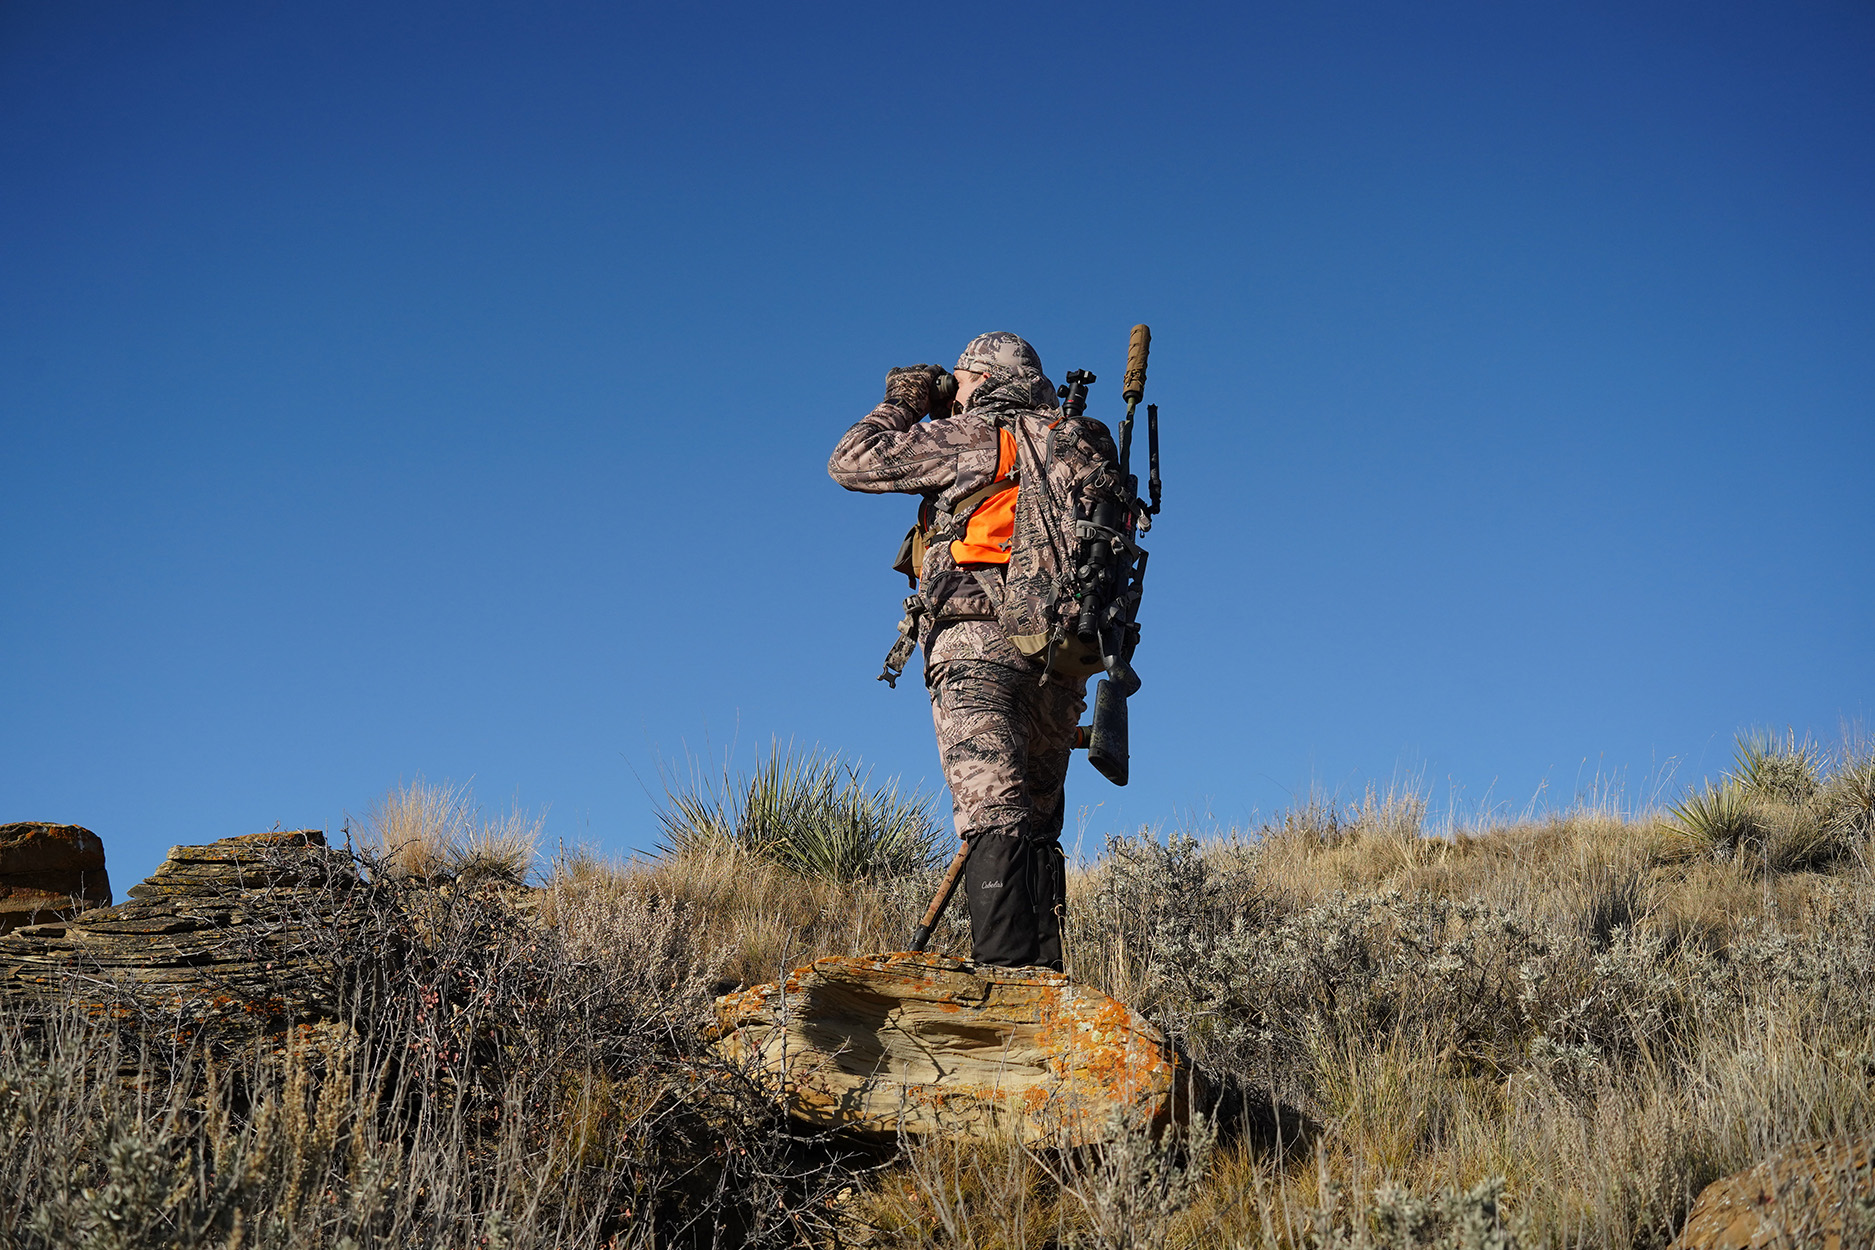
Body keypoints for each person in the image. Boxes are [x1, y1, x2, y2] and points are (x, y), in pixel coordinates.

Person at [827, 332, 1085, 970]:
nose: (955, 389)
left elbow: (850, 461)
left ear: (985, 379)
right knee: (1037, 821)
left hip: (976, 644)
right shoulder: (1075, 442)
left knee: (992, 812)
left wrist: (905, 400)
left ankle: (1004, 986)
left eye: (962, 378)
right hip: (1060, 658)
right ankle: (1046, 981)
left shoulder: (972, 437)